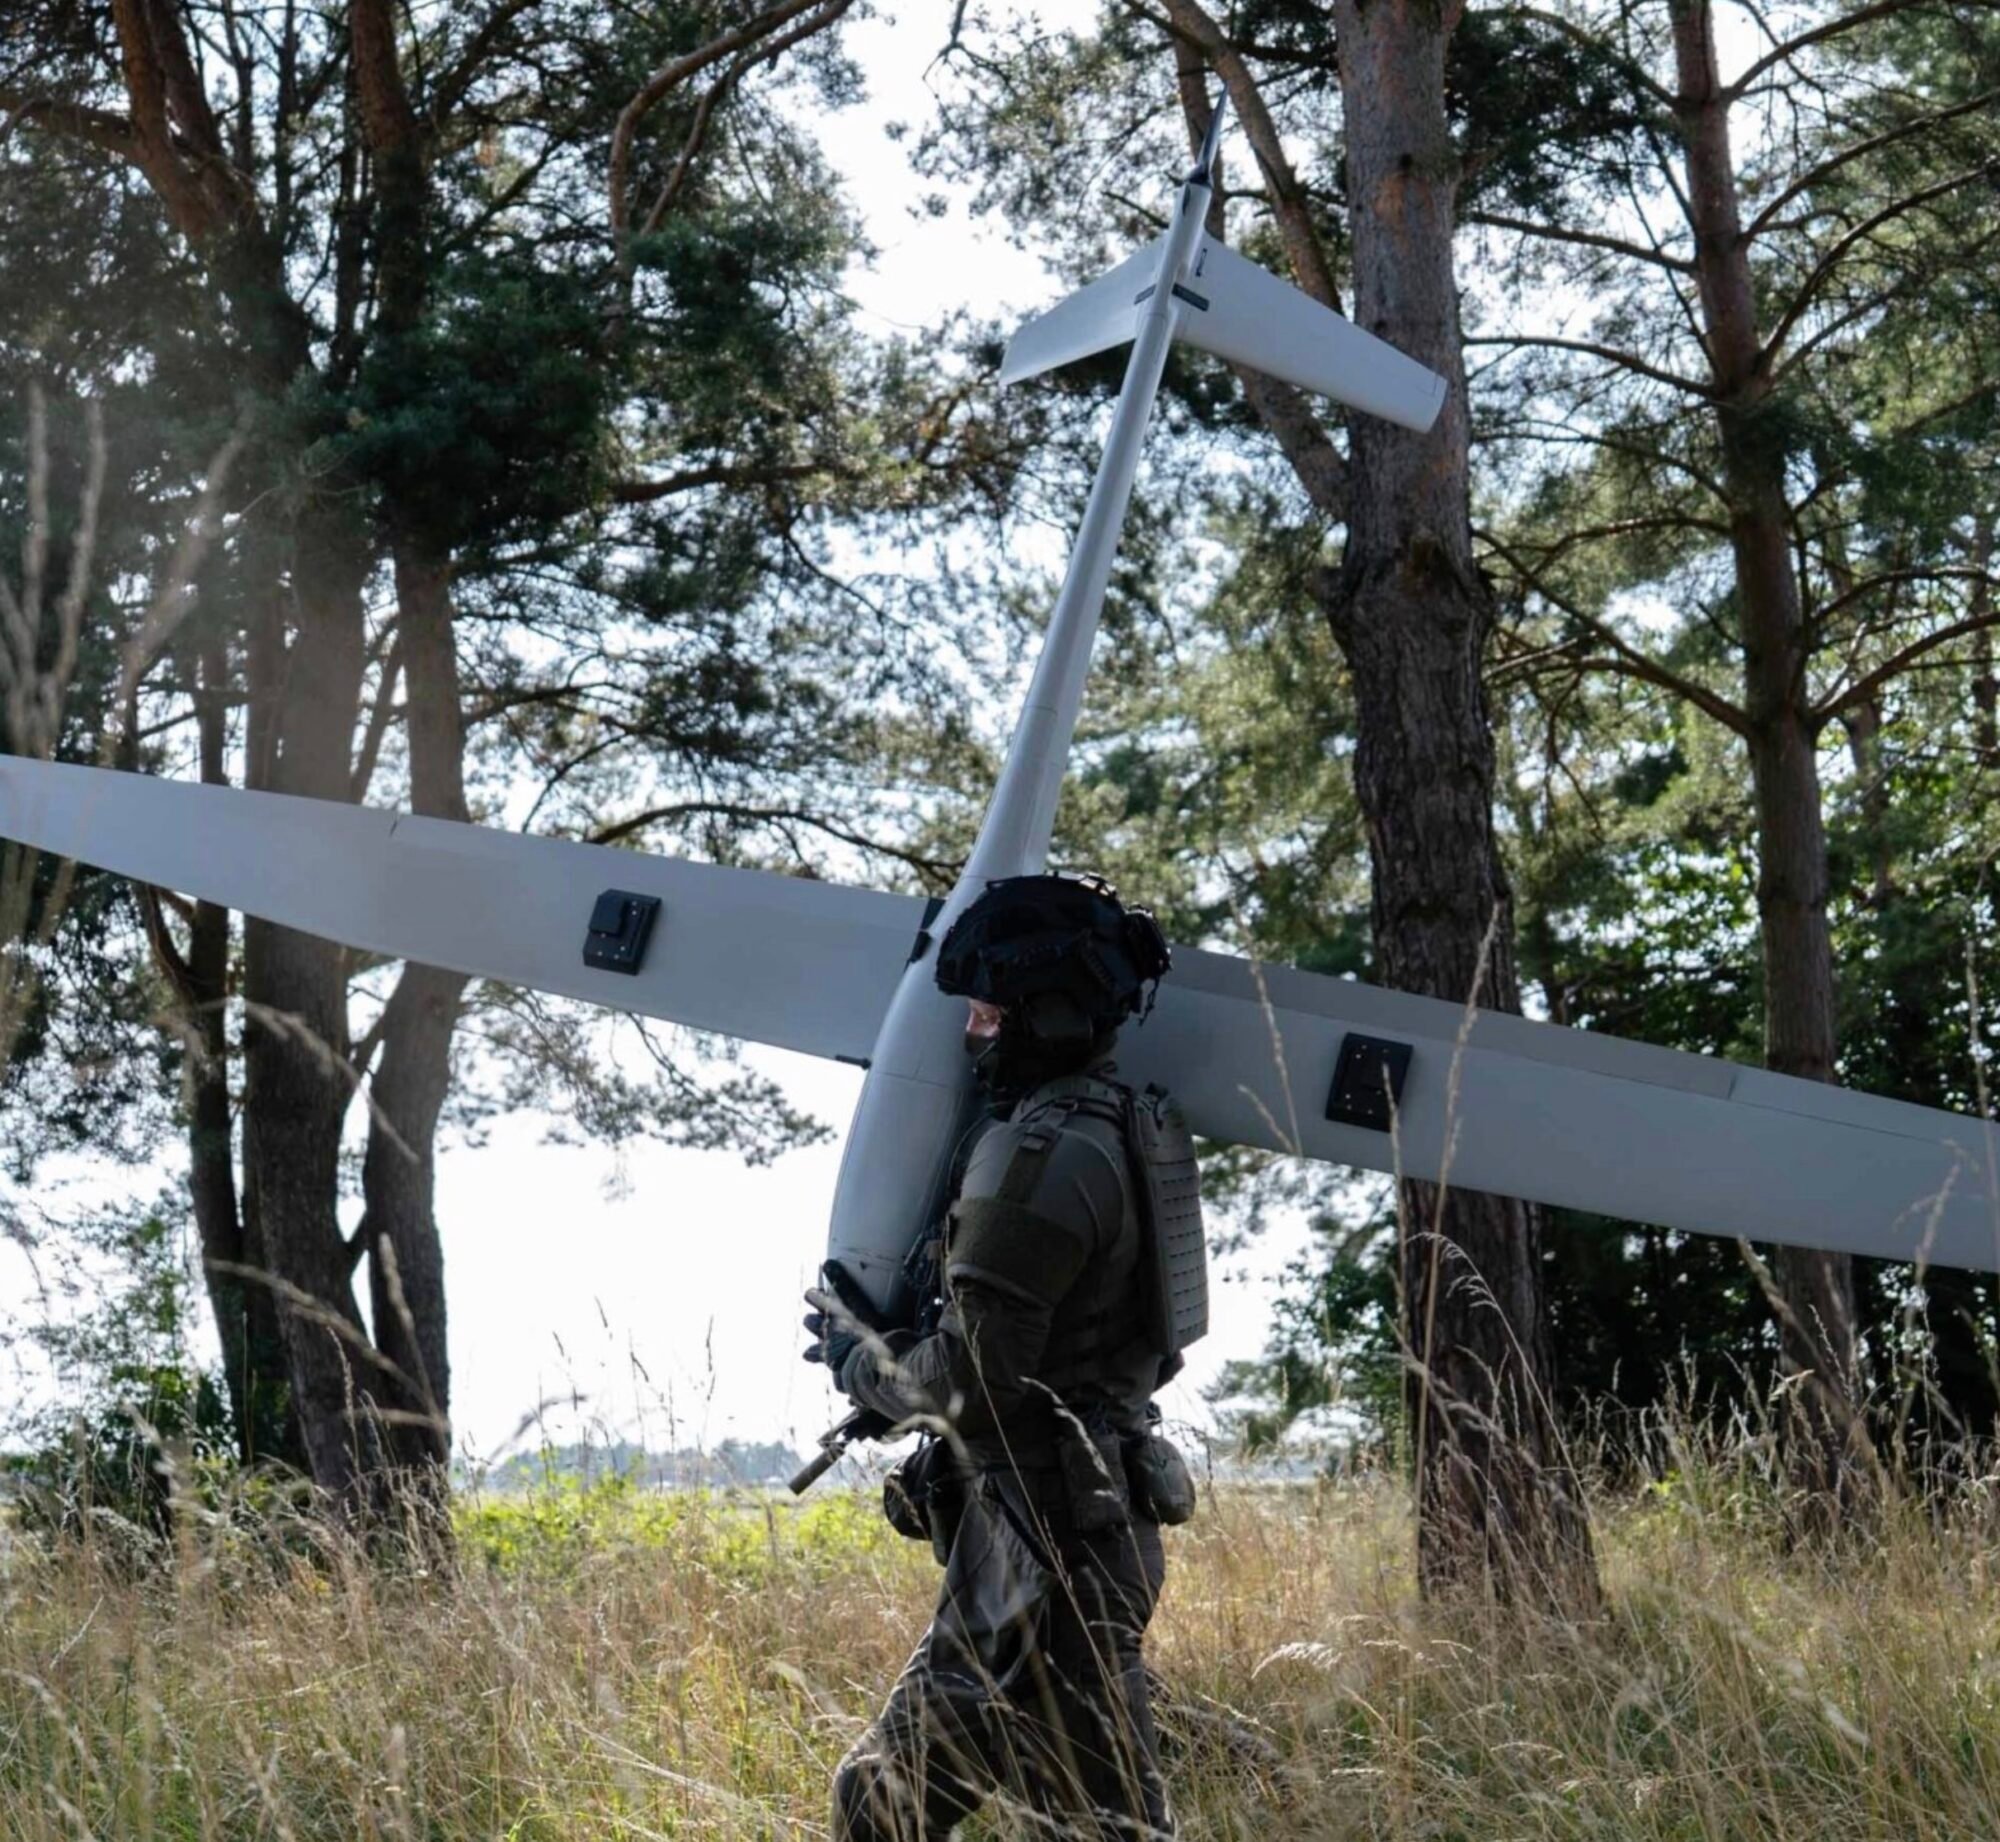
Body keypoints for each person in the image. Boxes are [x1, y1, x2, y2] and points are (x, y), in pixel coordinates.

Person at [803, 872, 1202, 1842]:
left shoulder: (1041, 1154)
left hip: (1039, 1550)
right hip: (1073, 1530)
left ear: (1046, 1014)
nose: (972, 1033)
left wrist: (861, 1360)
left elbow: (973, 1380)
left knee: (884, 1806)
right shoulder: (1118, 1126)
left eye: (986, 1009)